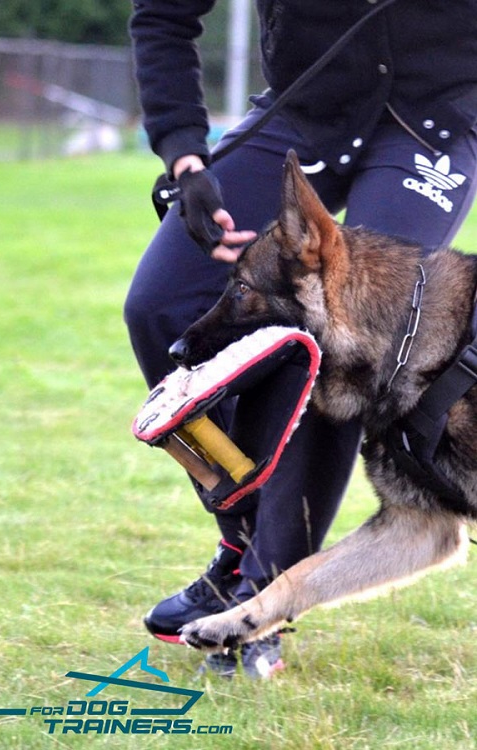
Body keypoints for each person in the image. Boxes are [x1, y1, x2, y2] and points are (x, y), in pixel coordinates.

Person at [125, 0, 477, 677]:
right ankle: (247, 536)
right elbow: (163, 14)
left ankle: (264, 592)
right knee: (161, 306)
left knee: (346, 341)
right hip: (304, 109)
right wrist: (185, 158)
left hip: (432, 123)